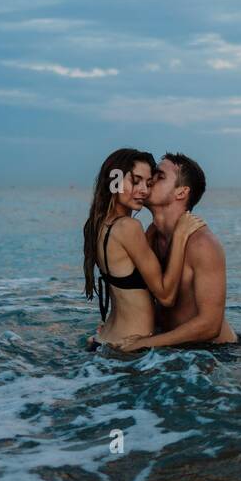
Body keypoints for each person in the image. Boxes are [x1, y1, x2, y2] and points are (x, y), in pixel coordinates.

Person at [83, 148, 206, 348]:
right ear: (114, 181)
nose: (143, 190)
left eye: (148, 183)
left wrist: (149, 235)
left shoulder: (96, 224)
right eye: (135, 181)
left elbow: (125, 271)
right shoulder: (129, 227)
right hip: (129, 348)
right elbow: (166, 296)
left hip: (105, 339)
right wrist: (181, 235)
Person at [117, 153, 237, 350]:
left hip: (215, 352)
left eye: (160, 176)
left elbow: (210, 326)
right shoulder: (151, 236)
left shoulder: (202, 244)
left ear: (181, 193)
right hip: (171, 345)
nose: (150, 180)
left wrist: (143, 343)